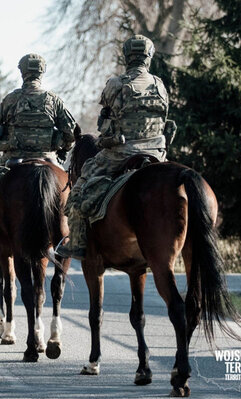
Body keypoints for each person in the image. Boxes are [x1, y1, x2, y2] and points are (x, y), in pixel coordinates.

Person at [56, 34, 171, 259]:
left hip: (121, 153)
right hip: (157, 153)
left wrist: (106, 138)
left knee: (80, 187)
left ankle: (76, 243)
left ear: (127, 56)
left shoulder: (116, 84)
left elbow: (105, 120)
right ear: (149, 57)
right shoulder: (160, 84)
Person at [0, 53, 76, 245]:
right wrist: (64, 148)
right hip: (48, 157)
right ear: (42, 72)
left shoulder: (11, 99)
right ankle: (75, 234)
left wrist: (4, 137)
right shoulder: (53, 99)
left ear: (22, 72)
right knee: (74, 189)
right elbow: (70, 129)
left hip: (13, 158)